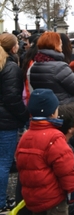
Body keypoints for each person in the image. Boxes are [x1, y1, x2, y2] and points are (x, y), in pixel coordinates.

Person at [16, 89, 74, 215]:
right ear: (52, 113)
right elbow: (66, 169)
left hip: (33, 199)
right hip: (53, 199)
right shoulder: (54, 137)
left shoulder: (25, 137)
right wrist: (71, 190)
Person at [29, 32, 74, 127]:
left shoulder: (35, 66)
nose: (61, 46)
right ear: (54, 45)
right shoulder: (59, 66)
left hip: (47, 111)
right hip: (64, 111)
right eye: (59, 43)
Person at [0, 33, 29, 214]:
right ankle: (1, 202)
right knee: (4, 162)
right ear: (13, 48)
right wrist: (24, 115)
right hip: (6, 121)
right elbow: (12, 98)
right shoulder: (10, 68)